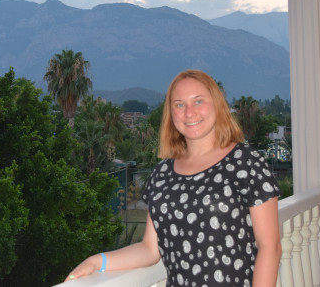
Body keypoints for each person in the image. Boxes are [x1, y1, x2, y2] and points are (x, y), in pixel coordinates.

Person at [65, 69, 281, 286]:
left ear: (217, 104)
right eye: (179, 105)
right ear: (171, 113)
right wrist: (97, 261)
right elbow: (150, 249)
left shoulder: (245, 162)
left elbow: (270, 248)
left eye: (198, 101)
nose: (189, 112)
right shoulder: (162, 173)